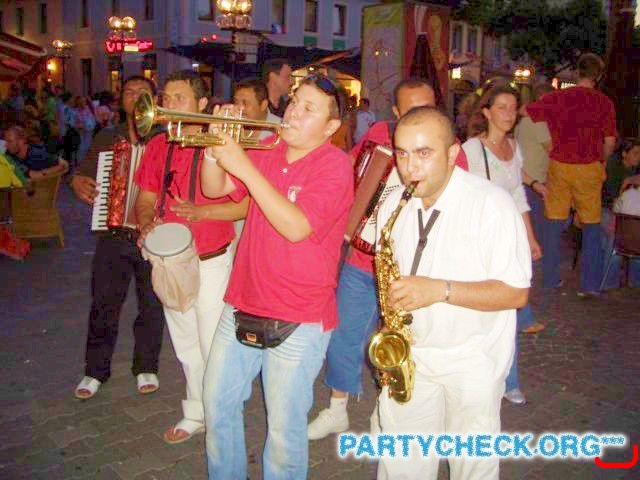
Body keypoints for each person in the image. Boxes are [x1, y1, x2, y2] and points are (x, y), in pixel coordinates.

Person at [200, 73, 353, 479]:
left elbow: (297, 227)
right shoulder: (268, 147)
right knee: (216, 406)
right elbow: (214, 189)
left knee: (284, 433)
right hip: (242, 301)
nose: (293, 112)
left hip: (299, 316)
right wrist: (214, 149)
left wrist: (244, 166)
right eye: (294, 101)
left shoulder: (335, 165)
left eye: (308, 108)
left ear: (331, 127)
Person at [307, 78, 468, 441]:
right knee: (343, 335)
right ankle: (337, 409)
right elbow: (350, 166)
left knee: (399, 342)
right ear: (395, 113)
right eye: (411, 110)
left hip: (413, 268)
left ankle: (388, 412)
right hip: (363, 259)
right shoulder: (379, 132)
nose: (421, 117)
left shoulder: (451, 149)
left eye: (428, 107)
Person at [376, 106, 531, 479]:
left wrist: (439, 290)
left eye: (424, 153)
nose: (410, 168)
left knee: (472, 468)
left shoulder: (492, 204)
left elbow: (515, 293)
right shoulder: (393, 202)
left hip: (472, 361)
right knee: (401, 465)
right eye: (402, 154)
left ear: (452, 153)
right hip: (411, 355)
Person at [134, 70, 248, 445]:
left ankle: (221, 415)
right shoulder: (158, 145)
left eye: (179, 97)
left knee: (213, 344)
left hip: (211, 259)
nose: (169, 105)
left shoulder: (221, 143)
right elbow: (145, 197)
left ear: (202, 103)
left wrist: (204, 213)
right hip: (169, 261)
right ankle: (197, 411)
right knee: (185, 345)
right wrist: (146, 223)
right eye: (165, 98)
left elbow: (247, 205)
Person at [70, 76, 165, 401]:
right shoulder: (107, 137)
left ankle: (146, 366)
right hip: (113, 233)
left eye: (143, 93)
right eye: (129, 92)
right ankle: (95, 370)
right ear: (121, 100)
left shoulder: (167, 138)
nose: (135, 97)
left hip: (153, 236)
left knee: (152, 305)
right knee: (104, 304)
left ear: (154, 100)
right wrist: (77, 182)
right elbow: (82, 173)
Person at [463, 85, 543, 406]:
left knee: (507, 314)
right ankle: (477, 378)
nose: (509, 114)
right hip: (479, 242)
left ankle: (510, 381)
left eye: (513, 108)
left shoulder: (513, 146)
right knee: (481, 314)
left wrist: (530, 237)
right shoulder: (472, 149)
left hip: (508, 241)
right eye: (502, 107)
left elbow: (518, 195)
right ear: (486, 112)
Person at [524, 53, 617, 296]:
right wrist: (602, 160)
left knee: (554, 224)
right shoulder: (604, 103)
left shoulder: (558, 97)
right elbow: (609, 141)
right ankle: (589, 285)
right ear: (598, 76)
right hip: (589, 167)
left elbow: (526, 111)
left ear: (577, 72)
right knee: (591, 226)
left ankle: (550, 279)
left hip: (560, 165)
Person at [515, 83, 553, 243]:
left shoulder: (523, 119)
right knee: (535, 232)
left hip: (523, 178)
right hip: (534, 182)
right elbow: (553, 150)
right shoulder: (538, 121)